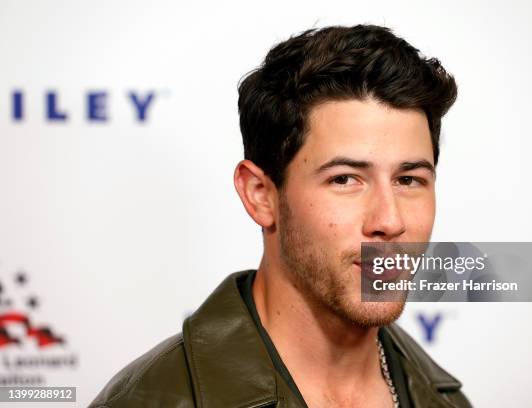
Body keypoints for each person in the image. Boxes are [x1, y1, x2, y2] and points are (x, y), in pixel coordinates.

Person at [90, 24, 470, 408]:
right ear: (261, 195)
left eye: (409, 179)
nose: (389, 221)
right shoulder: (149, 401)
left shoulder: (447, 401)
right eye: (345, 179)